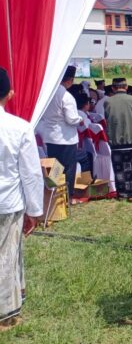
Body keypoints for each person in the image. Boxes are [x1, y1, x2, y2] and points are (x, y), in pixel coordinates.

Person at [0, 67, 44, 330]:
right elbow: (31, 174)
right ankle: (5, 315)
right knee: (6, 256)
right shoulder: (19, 128)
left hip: (8, 202)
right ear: (10, 94)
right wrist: (35, 210)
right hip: (7, 203)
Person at [40, 66, 82, 204]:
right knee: (68, 168)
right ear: (70, 81)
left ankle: (53, 194)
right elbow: (71, 119)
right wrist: (80, 119)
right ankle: (66, 199)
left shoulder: (48, 93)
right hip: (66, 138)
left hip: (51, 137)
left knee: (55, 168)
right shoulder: (66, 96)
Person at [104, 77, 132, 201]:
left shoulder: (108, 102)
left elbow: (107, 118)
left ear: (113, 88)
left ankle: (122, 193)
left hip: (116, 139)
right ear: (126, 87)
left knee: (120, 168)